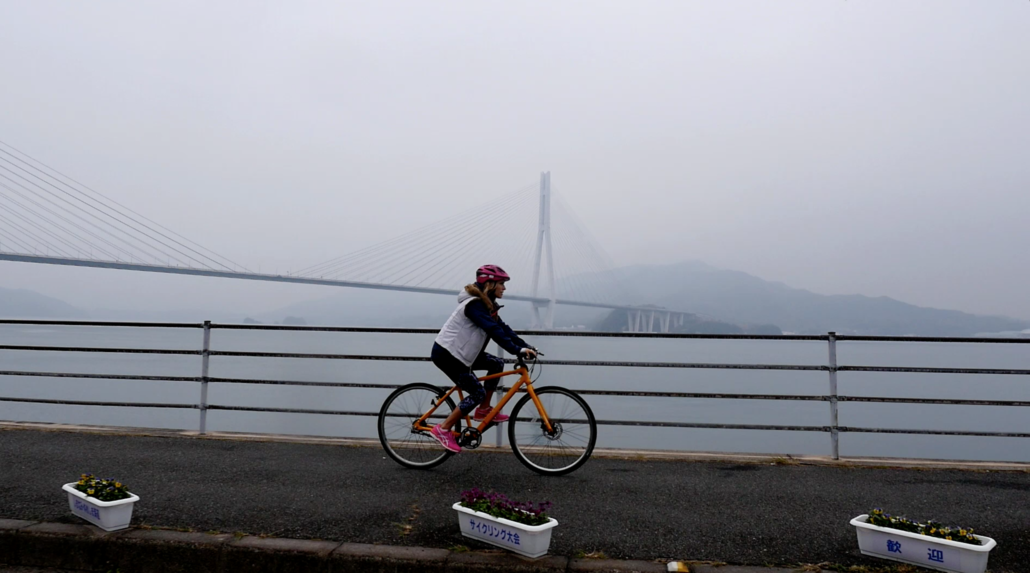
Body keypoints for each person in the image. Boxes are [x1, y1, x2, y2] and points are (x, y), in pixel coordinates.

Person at [429, 264, 538, 453]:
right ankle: (443, 429)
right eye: (502, 284)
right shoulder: (474, 305)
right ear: (490, 284)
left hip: (464, 354)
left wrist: (524, 346)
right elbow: (492, 330)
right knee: (476, 392)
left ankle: (483, 409)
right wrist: (515, 350)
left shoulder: (487, 305)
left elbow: (503, 328)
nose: (504, 288)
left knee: (497, 363)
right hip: (448, 354)